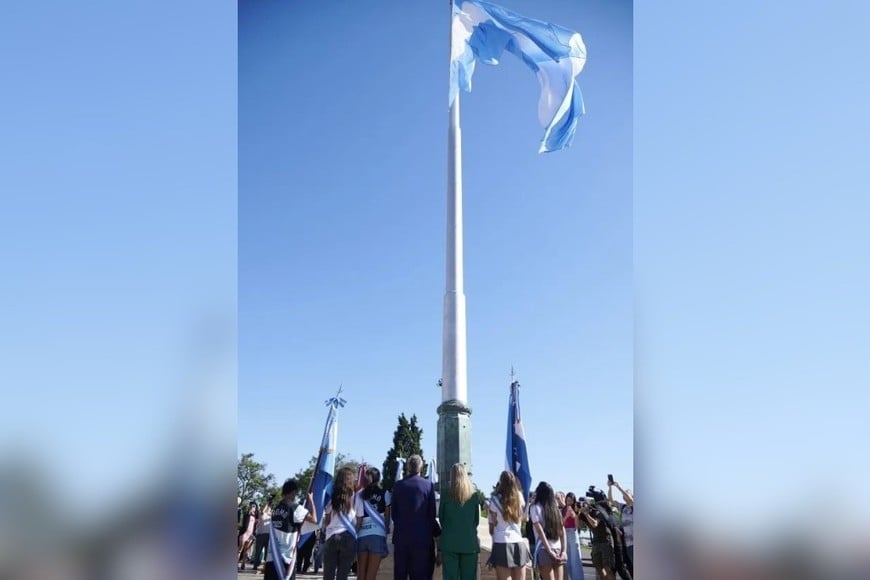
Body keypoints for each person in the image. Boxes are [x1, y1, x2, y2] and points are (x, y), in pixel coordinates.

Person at [391, 454, 439, 580]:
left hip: (401, 539)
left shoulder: (398, 486)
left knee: (400, 575)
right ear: (421, 467)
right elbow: (432, 514)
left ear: (408, 467)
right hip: (422, 540)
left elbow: (394, 514)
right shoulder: (428, 486)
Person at [265, 479, 318, 580]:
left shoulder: (275, 509)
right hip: (286, 559)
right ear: (293, 492)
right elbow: (314, 520)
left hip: (272, 557)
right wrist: (311, 501)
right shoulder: (295, 508)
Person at [439, 463, 480, 580]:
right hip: (469, 544)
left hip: (449, 543)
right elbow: (476, 520)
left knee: (449, 577)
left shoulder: (446, 494)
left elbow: (442, 518)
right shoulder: (474, 496)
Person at [488, 471, 532, 580]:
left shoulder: (494, 500)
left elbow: (492, 526)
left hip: (501, 542)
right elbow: (523, 518)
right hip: (518, 541)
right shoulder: (519, 497)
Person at [323, 467, 359, 580]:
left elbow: (327, 519)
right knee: (343, 575)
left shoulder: (331, 495)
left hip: (332, 536)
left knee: (328, 574)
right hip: (348, 536)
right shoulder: (355, 496)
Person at [355, 467, 391, 580]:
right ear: (378, 478)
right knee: (371, 575)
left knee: (361, 574)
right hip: (377, 534)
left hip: (361, 535)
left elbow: (357, 515)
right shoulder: (385, 493)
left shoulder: (359, 494)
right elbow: (387, 516)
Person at [530, 482, 566, 580]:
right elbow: (562, 530)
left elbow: (540, 531)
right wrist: (564, 551)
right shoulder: (556, 509)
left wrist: (550, 551)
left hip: (543, 548)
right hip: (558, 547)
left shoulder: (534, 507)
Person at [575, 499, 614, 580]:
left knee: (608, 568)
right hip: (596, 541)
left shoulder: (596, 511)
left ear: (588, 504)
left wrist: (586, 513)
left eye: (583, 503)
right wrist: (577, 513)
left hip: (605, 540)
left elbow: (595, 524)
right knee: (599, 568)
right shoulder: (582, 514)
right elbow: (578, 526)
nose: (582, 505)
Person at [608, 480, 633, 577]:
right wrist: (610, 487)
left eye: (627, 493)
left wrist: (618, 486)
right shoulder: (623, 507)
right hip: (628, 544)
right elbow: (611, 500)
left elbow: (630, 500)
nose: (625, 495)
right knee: (632, 568)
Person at [562, 493, 583, 580]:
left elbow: (577, 527)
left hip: (573, 533)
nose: (569, 502)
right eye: (567, 500)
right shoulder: (563, 510)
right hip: (565, 533)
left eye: (571, 501)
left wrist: (575, 515)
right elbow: (561, 524)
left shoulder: (576, 509)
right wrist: (566, 516)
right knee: (567, 560)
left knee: (575, 559)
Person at [252, 500, 272, 572]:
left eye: (270, 508)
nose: (269, 508)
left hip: (268, 536)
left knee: (267, 553)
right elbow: (263, 511)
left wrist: (269, 506)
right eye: (268, 507)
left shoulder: (271, 515)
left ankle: (265, 567)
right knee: (258, 552)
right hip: (260, 535)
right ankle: (255, 565)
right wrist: (268, 502)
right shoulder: (262, 514)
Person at [238, 501, 258, 570]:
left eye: (254, 506)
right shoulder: (246, 514)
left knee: (246, 550)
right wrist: (249, 512)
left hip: (250, 535)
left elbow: (255, 526)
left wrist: (254, 534)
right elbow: (244, 523)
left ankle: (243, 564)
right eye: (251, 506)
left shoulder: (255, 516)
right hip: (244, 534)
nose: (253, 507)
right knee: (240, 549)